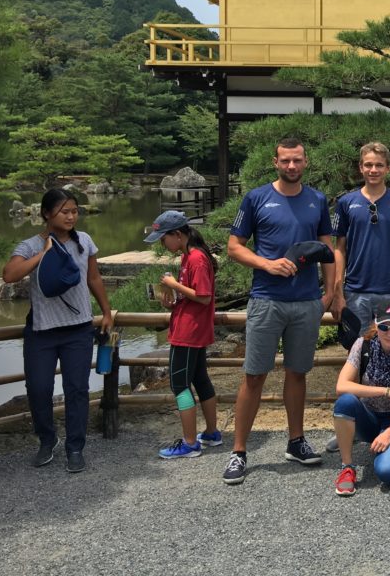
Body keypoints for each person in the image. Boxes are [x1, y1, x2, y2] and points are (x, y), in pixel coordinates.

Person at [223, 137, 336, 485]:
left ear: (305, 161)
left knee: (297, 373)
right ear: (275, 161)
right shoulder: (256, 198)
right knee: (254, 375)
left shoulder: (317, 199)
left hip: (305, 301)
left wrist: (329, 293)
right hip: (266, 298)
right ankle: (239, 451)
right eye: (285, 161)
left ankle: (296, 440)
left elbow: (326, 249)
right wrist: (267, 264)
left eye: (297, 160)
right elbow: (233, 247)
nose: (291, 166)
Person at [2, 188, 113, 473]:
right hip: (42, 332)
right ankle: (47, 441)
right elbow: (9, 275)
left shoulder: (84, 241)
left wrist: (106, 312)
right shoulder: (30, 245)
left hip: (78, 330)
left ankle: (75, 447)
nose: (71, 216)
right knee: (39, 389)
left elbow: (94, 278)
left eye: (75, 211)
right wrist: (43, 254)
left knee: (77, 389)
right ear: (46, 213)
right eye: (65, 211)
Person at [144, 210, 222, 459]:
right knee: (200, 380)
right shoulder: (190, 256)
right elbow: (194, 295)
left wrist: (174, 285)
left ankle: (190, 443)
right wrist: (173, 301)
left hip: (189, 332)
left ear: (177, 234)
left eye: (163, 238)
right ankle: (211, 433)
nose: (161, 244)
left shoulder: (196, 258)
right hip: (192, 328)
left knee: (179, 384)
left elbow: (203, 296)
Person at [333, 299, 390, 496]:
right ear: (376, 324)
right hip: (368, 416)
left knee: (387, 473)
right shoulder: (362, 345)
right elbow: (341, 386)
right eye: (384, 327)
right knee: (345, 401)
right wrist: (386, 391)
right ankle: (347, 467)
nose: (389, 333)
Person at [332, 142, 390, 332]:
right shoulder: (345, 203)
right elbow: (339, 249)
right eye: (368, 165)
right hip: (355, 291)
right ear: (360, 168)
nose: (373, 170)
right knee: (357, 350)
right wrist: (338, 292)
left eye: (379, 165)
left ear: (388, 168)